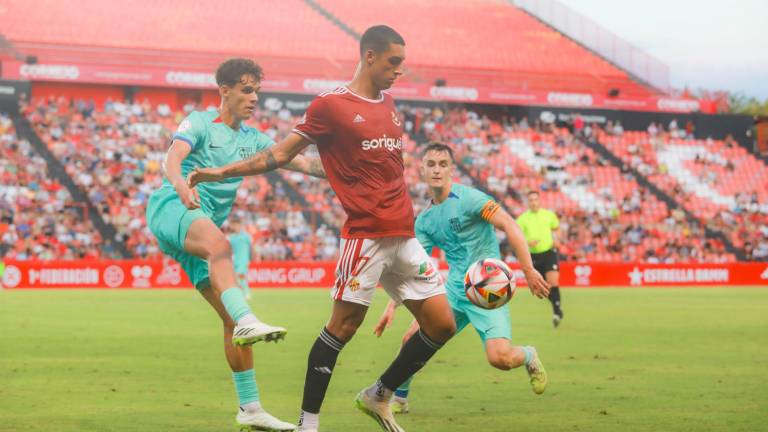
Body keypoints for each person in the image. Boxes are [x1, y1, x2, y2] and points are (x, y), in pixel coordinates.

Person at [189, 25, 457, 432]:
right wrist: (222, 170)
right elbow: (279, 154)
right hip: (366, 237)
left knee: (442, 326)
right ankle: (308, 423)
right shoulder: (330, 105)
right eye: (393, 62)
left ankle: (379, 394)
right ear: (369, 56)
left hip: (404, 235)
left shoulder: (392, 105)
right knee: (343, 328)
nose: (399, 70)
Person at [146, 58, 325, 431]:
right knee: (222, 249)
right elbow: (172, 159)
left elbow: (306, 166)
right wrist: (181, 186)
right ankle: (248, 319)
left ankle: (250, 407)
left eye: (257, 90)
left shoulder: (254, 140)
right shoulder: (199, 122)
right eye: (247, 89)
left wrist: (357, 163)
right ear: (224, 90)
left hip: (201, 223)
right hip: (172, 207)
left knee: (227, 315)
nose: (254, 97)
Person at [373, 143, 550, 415]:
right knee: (411, 339)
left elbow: (510, 225)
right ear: (421, 169)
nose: (437, 170)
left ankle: (528, 355)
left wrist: (528, 269)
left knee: (500, 359)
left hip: (489, 289)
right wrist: (391, 305)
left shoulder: (470, 199)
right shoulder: (426, 221)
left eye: (443, 164)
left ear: (451, 169)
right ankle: (400, 399)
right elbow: (412, 266)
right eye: (431, 164)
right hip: (456, 291)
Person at [516, 190, 564, 327]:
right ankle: (557, 306)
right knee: (544, 288)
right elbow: (516, 237)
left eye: (535, 199)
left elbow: (557, 229)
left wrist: (557, 239)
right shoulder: (522, 219)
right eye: (530, 200)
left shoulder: (549, 215)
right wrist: (526, 242)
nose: (533, 202)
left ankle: (556, 312)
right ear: (528, 202)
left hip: (549, 252)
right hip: (533, 256)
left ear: (540, 200)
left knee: (553, 282)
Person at [227, 218, 253, 300]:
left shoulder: (246, 236)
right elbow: (230, 249)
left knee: (238, 276)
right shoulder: (231, 237)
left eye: (236, 225)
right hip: (235, 260)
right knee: (241, 277)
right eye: (233, 225)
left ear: (240, 225)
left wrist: (250, 259)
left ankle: (241, 293)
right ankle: (245, 293)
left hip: (244, 260)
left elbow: (251, 248)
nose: (235, 227)